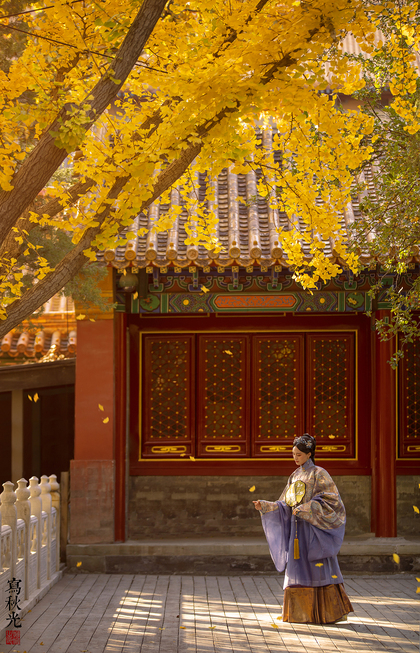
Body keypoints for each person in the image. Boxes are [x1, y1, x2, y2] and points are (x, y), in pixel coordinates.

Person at [253, 433, 353, 624]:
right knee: (298, 568)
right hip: (297, 531)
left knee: (319, 568)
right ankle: (299, 614)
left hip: (314, 529)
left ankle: (330, 613)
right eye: (293, 454)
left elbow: (331, 501)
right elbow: (286, 503)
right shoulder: (295, 475)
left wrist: (307, 508)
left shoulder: (319, 473)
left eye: (299, 454)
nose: (295, 458)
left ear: (309, 454)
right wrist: (266, 506)